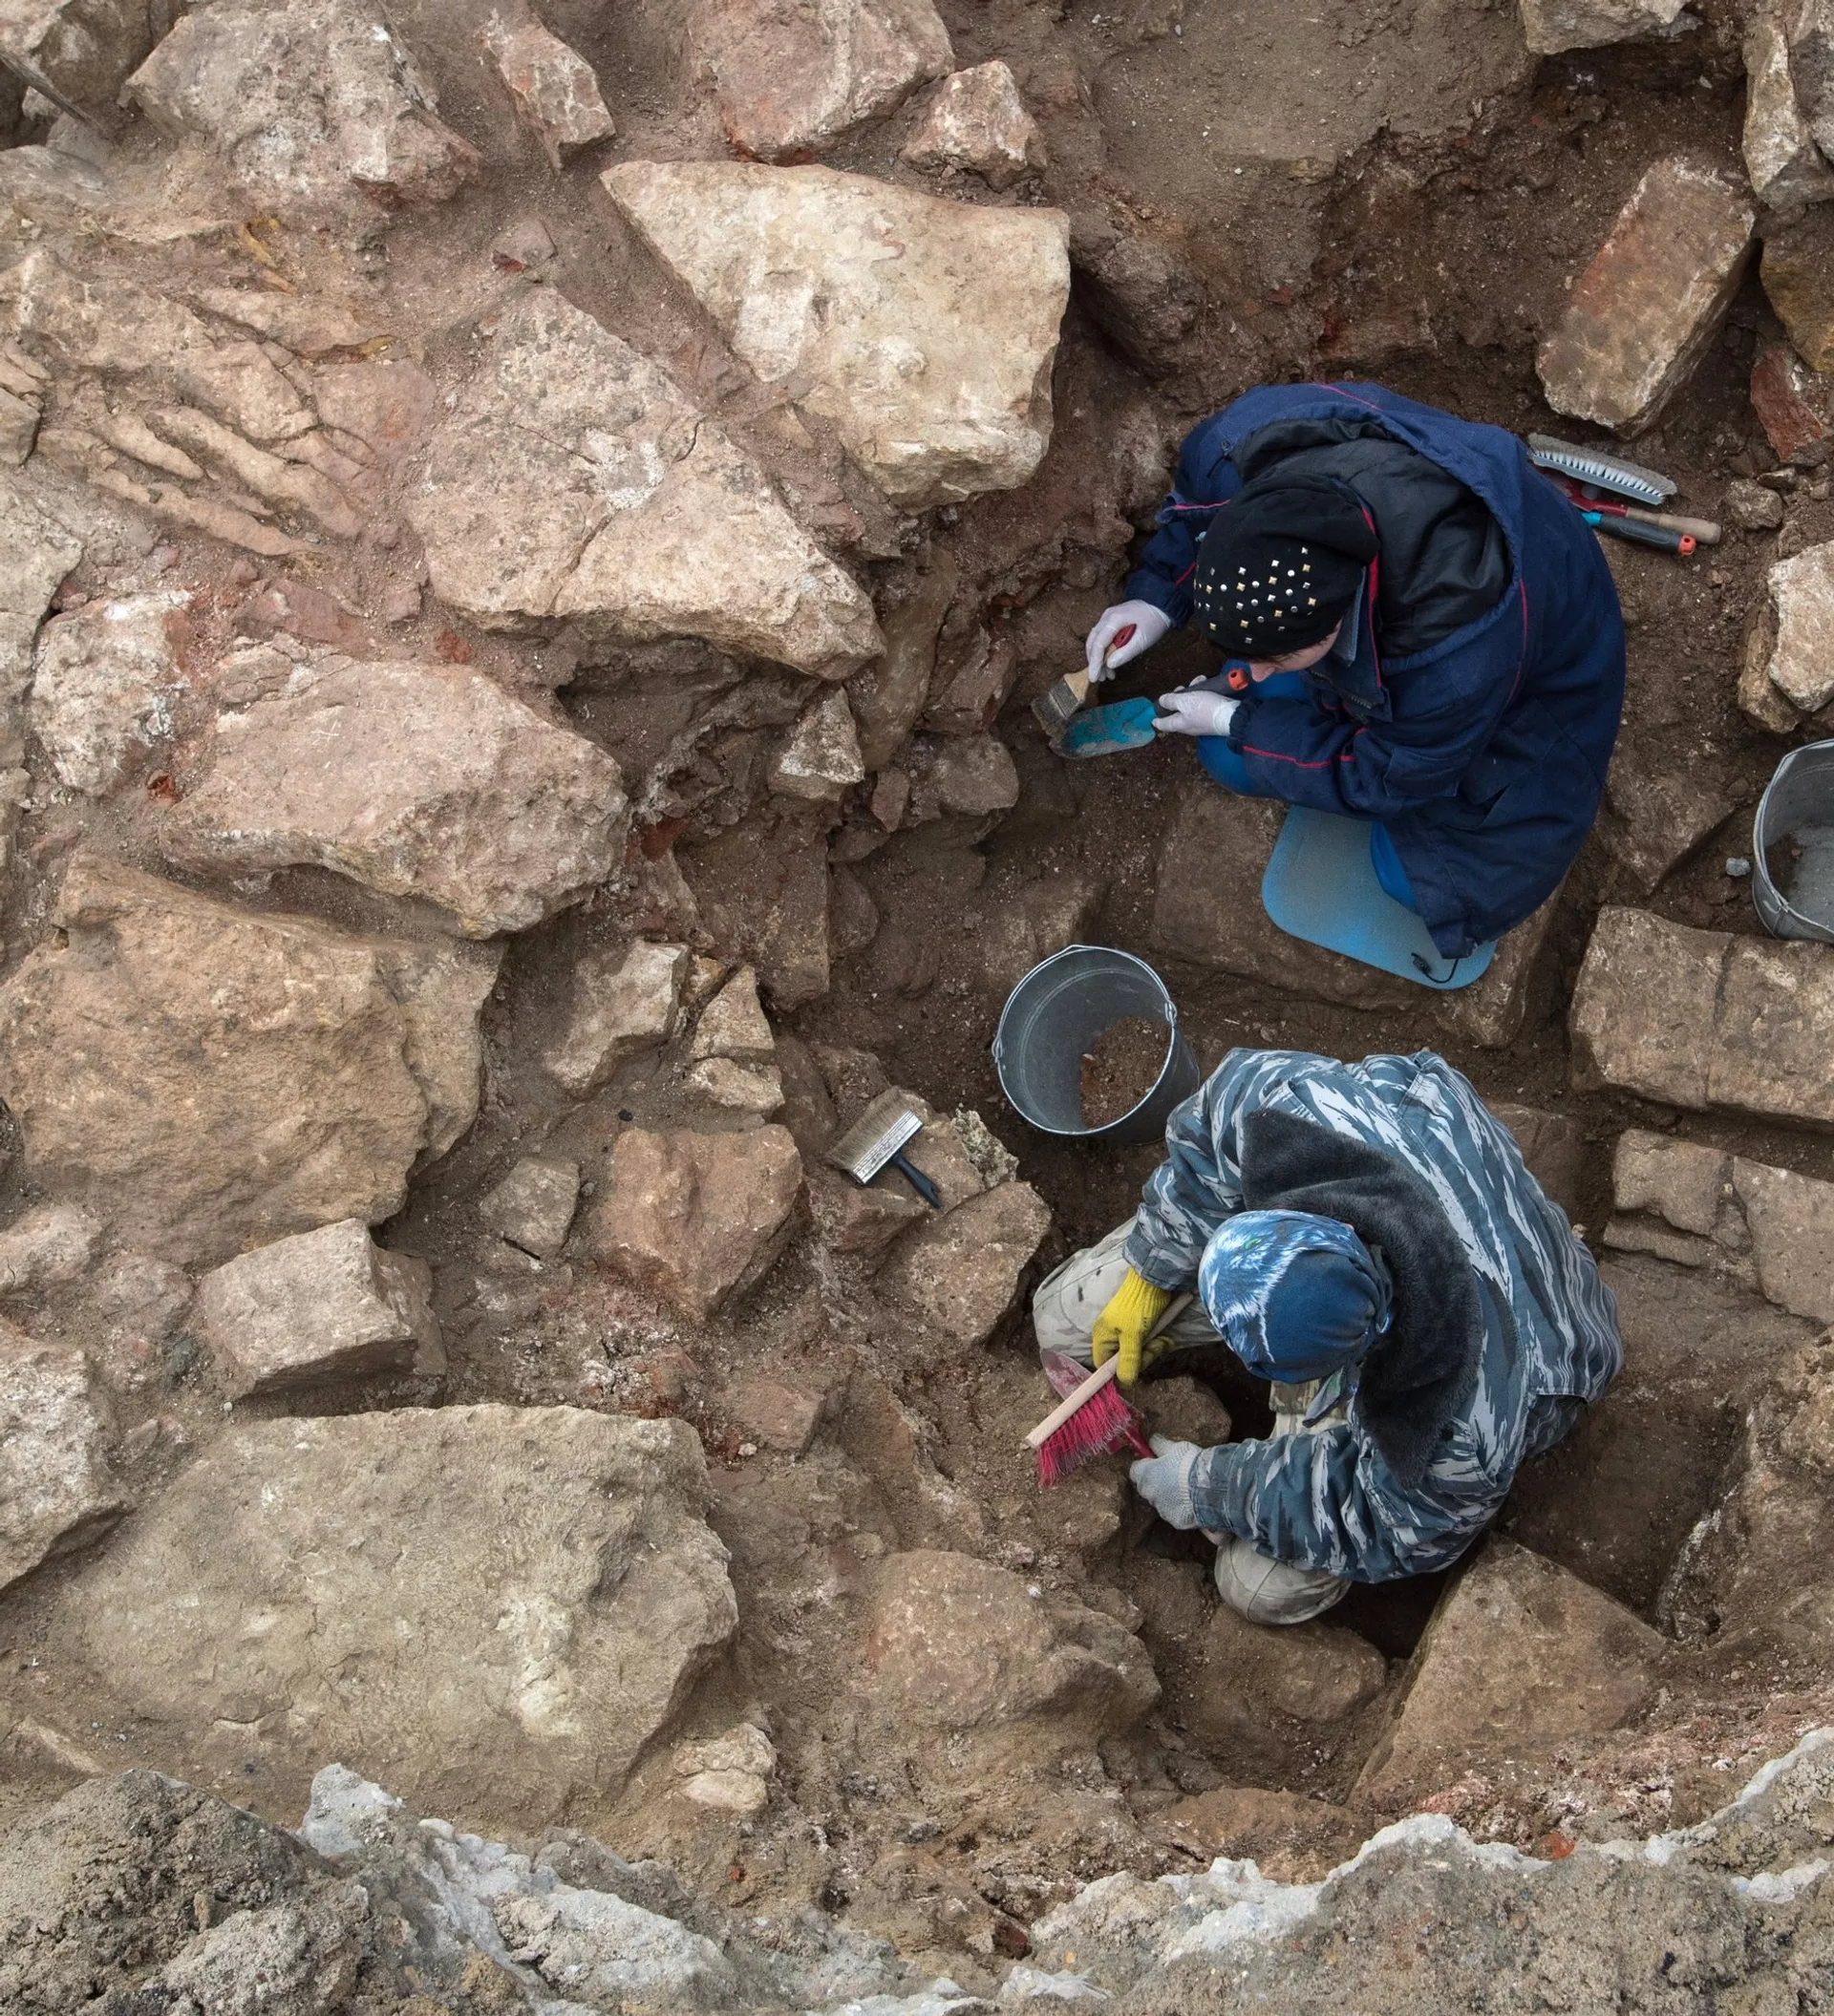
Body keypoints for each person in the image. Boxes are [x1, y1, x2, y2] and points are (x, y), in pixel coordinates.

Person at [1032, 1048, 1622, 1625]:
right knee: (1060, 1322)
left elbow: (1389, 1525)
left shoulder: (1456, 1432)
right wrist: (1152, 1276)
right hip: (1415, 1169)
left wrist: (1208, 1487)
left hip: (1544, 1346)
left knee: (1252, 1584)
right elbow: (1219, 1114)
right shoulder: (1303, 1116)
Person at [1084, 382, 1626, 963]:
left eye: (1277, 658)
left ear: (1335, 624)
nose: (1254, 673)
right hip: (1416, 634)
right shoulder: (1244, 444)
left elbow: (1383, 779)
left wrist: (1234, 722)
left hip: (1541, 675)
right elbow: (1200, 512)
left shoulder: (1453, 665)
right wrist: (1157, 599)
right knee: (1227, 754)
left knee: (1421, 879)